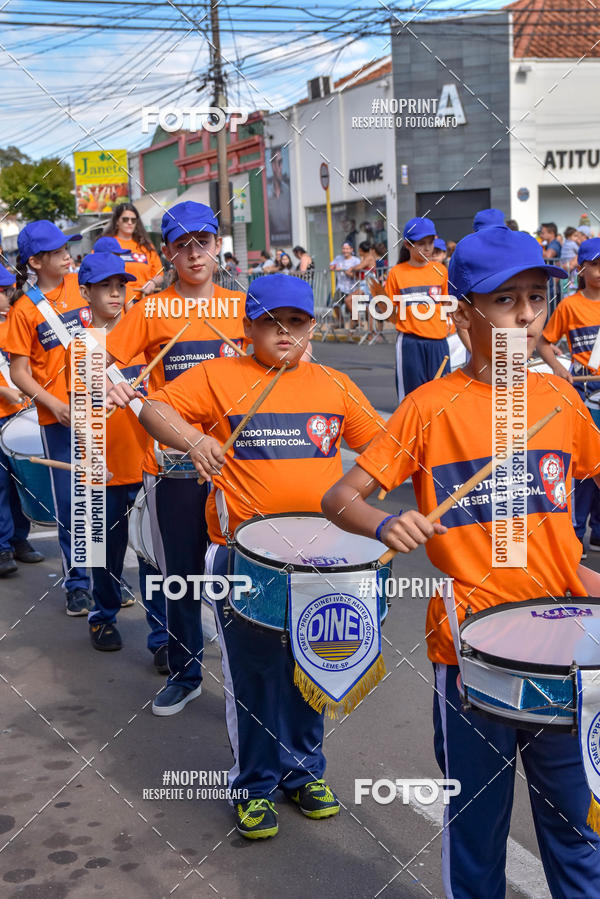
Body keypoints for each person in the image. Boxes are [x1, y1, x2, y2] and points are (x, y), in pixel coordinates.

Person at [322, 225, 600, 899]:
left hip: (564, 650)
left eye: (536, 297)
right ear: (462, 314)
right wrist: (389, 521)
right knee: (476, 827)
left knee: (579, 830)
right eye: (506, 301)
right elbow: (339, 497)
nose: (528, 314)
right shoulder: (427, 408)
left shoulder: (560, 401)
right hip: (471, 654)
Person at [136, 274, 383, 839]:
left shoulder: (334, 384)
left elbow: (382, 447)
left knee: (315, 661)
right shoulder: (219, 377)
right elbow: (153, 411)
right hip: (244, 558)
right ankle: (253, 783)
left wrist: (360, 495)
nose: (285, 333)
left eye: (297, 322)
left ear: (311, 328)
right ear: (248, 328)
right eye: (271, 322)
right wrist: (195, 441)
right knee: (255, 676)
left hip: (321, 560)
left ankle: (303, 771)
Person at [105, 200, 246, 715]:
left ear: (217, 246)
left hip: (238, 465)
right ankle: (185, 672)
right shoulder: (150, 310)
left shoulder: (242, 306)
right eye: (182, 245)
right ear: (168, 253)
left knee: (241, 572)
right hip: (175, 465)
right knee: (180, 574)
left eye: (203, 242)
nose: (194, 254)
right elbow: (106, 363)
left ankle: (246, 677)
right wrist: (120, 387)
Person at [62, 252, 167, 660]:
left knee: (152, 560)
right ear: (85, 292)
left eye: (120, 286)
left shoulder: (145, 340)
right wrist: (91, 460)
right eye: (105, 286)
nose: (114, 293)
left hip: (146, 467)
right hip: (103, 471)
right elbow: (81, 412)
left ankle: (162, 639)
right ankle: (102, 617)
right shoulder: (82, 347)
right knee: (104, 556)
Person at [6, 220, 92, 615]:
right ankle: (77, 583)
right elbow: (20, 372)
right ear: (36, 262)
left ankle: (107, 579)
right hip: (57, 419)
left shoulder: (85, 287)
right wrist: (52, 405)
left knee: (104, 499)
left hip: (101, 411)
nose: (66, 254)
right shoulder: (24, 310)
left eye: (67, 248)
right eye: (57, 251)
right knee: (74, 503)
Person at [537, 237, 600, 556]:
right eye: (596, 265)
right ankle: (576, 531)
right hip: (586, 393)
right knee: (588, 465)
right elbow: (545, 342)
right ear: (582, 268)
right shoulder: (570, 305)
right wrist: (560, 371)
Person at [0, 262, 44, 577]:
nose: (6, 296)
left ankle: (19, 539)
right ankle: (3, 547)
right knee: (1, 484)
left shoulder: (14, 321)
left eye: (7, 290)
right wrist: (3, 390)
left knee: (19, 482)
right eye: (1, 292)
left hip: (19, 414)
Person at [383, 217, 453, 398]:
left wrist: (448, 325)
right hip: (410, 343)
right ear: (407, 245)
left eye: (431, 243)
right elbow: (388, 311)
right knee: (412, 397)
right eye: (421, 244)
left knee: (442, 395)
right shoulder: (396, 273)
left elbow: (446, 303)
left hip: (438, 342)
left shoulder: (441, 270)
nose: (428, 248)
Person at [103, 203, 163, 300]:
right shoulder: (105, 243)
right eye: (125, 219)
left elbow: (159, 274)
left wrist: (153, 283)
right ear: (117, 221)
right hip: (117, 301)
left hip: (144, 300)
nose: (130, 222)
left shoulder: (146, 246)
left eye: (133, 220)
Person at [330, 242, 360, 326]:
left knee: (351, 307)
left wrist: (347, 272)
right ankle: (341, 322)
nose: (345, 251)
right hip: (341, 287)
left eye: (347, 249)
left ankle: (355, 325)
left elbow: (358, 275)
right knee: (335, 304)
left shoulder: (356, 260)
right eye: (343, 249)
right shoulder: (338, 258)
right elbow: (331, 266)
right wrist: (335, 267)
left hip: (352, 287)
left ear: (351, 250)